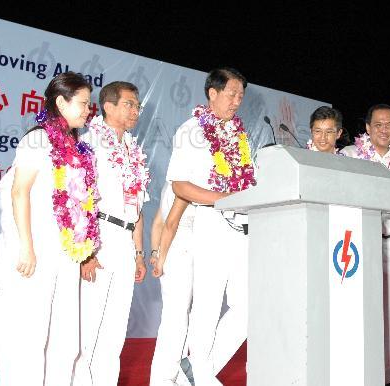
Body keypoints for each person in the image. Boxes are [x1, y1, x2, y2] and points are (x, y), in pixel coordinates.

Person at [0, 72, 99, 386]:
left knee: (67, 343)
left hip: (65, 256)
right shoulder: (37, 139)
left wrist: (83, 249)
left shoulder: (78, 150)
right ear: (61, 102)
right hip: (33, 254)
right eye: (83, 103)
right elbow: (19, 191)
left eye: (89, 104)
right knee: (27, 342)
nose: (88, 110)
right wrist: (26, 246)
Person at [166, 67, 256, 386]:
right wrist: (223, 197)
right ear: (212, 93)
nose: (237, 101)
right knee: (207, 304)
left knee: (248, 307)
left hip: (242, 227)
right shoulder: (192, 130)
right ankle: (202, 375)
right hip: (210, 222)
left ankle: (195, 368)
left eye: (241, 96)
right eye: (232, 94)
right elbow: (180, 185)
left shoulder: (237, 135)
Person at [73, 81, 151, 385]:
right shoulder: (89, 143)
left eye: (137, 105)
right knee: (89, 326)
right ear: (108, 106)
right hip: (99, 236)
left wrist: (139, 253)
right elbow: (79, 200)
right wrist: (86, 252)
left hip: (126, 242)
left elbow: (138, 207)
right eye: (129, 104)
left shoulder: (133, 149)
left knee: (115, 330)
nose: (135, 111)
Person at [341, 104, 390, 386]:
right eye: (378, 124)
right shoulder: (350, 155)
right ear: (367, 127)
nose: (384, 129)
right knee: (356, 311)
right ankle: (357, 372)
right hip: (359, 244)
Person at [148, 182, 194, 386]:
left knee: (175, 317)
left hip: (171, 253)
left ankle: (171, 377)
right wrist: (161, 257)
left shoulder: (168, 184)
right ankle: (166, 378)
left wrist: (156, 253)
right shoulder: (184, 186)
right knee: (177, 319)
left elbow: (157, 222)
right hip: (181, 251)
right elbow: (170, 223)